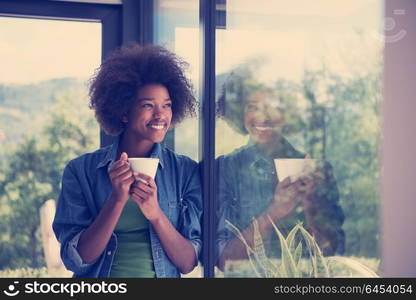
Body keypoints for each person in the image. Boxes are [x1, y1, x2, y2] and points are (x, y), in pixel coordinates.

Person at [52, 43, 202, 278]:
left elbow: (188, 262)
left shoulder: (185, 171)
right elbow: (77, 260)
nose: (160, 115)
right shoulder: (80, 171)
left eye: (167, 105)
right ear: (123, 111)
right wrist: (117, 199)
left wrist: (155, 213)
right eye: (147, 105)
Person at [216, 67, 345, 272]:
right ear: (239, 113)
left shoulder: (316, 169)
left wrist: (310, 204)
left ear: (288, 112)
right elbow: (224, 260)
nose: (262, 116)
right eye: (252, 106)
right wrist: (275, 212)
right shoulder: (224, 169)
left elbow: (331, 253)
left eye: (272, 106)